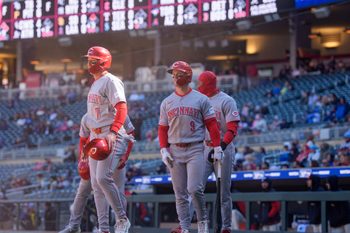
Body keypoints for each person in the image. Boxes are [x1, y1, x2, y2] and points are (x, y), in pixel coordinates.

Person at [158, 61, 223, 233]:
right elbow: (162, 129)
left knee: (194, 189)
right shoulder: (167, 102)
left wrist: (217, 147)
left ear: (187, 76)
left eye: (178, 73)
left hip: (195, 148)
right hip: (175, 150)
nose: (174, 77)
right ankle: (185, 228)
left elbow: (212, 125)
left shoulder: (201, 99)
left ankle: (202, 222)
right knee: (179, 193)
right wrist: (163, 149)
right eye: (173, 74)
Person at [78, 46, 130, 233]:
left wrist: (113, 131)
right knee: (96, 185)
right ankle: (103, 228)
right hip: (95, 134)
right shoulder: (95, 83)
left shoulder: (111, 81)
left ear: (103, 62)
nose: (89, 63)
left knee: (103, 178)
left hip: (109, 133)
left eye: (93, 60)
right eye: (89, 60)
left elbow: (122, 108)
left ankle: (122, 219)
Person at [197, 71, 240, 233]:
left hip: (224, 148)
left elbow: (233, 128)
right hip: (205, 147)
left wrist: (220, 146)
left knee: (224, 192)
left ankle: (226, 227)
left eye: (201, 83)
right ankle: (201, 223)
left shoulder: (226, 100)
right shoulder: (199, 100)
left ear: (208, 84)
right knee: (195, 187)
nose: (198, 86)